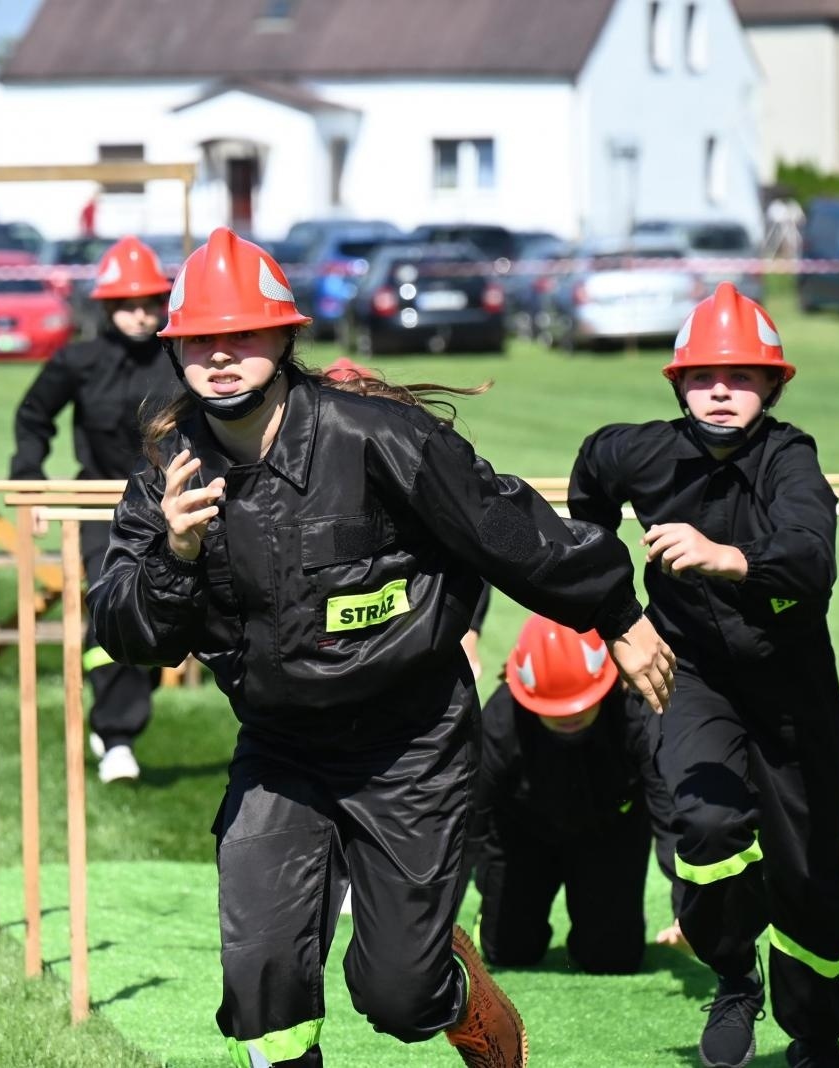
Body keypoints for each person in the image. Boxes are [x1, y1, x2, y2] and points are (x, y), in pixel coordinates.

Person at [88, 227, 675, 1068]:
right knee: (260, 976)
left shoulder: (377, 438)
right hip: (281, 752)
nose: (221, 357)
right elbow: (121, 628)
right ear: (175, 349)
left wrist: (617, 614)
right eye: (201, 341)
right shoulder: (167, 477)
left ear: (286, 338)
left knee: (399, 995)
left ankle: (456, 990)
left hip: (412, 746)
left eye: (244, 335)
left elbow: (506, 527)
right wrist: (173, 560)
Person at [566, 282, 839, 1068]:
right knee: (704, 831)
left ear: (773, 384)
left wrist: (731, 559)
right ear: (677, 384)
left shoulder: (791, 457)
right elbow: (591, 480)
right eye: (702, 377)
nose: (720, 392)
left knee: (810, 878)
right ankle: (733, 975)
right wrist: (612, 601)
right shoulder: (640, 450)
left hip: (791, 687)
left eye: (740, 377)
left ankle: (814, 1028)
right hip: (690, 674)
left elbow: (812, 556)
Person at [10, 235, 178, 783]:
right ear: (106, 305)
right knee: (115, 605)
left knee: (162, 616)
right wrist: (30, 481)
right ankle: (118, 736)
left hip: (169, 506)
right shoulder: (78, 361)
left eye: (150, 303)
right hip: (98, 505)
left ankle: (114, 722)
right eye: (128, 304)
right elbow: (33, 416)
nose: (140, 314)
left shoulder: (182, 358)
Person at [467, 614, 681, 975]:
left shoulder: (635, 714)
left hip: (611, 831)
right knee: (508, 951)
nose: (569, 718)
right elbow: (467, 820)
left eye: (582, 705)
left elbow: (669, 811)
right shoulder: (501, 720)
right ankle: (493, 918)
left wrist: (687, 911)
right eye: (553, 709)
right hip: (522, 835)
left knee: (612, 959)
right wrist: (433, 927)